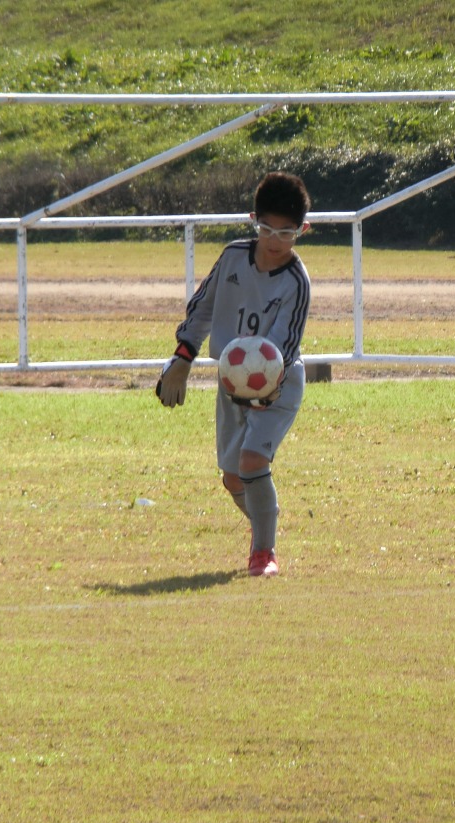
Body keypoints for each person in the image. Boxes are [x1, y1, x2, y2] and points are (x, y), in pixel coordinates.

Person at [156, 172, 312, 578]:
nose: (275, 241)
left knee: (252, 460)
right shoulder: (231, 258)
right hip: (231, 383)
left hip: (278, 384)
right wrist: (183, 358)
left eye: (286, 233)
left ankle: (264, 553)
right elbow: (203, 308)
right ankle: (265, 520)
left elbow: (284, 344)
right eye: (267, 229)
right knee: (233, 477)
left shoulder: (297, 281)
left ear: (303, 231)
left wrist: (264, 389)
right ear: (252, 221)